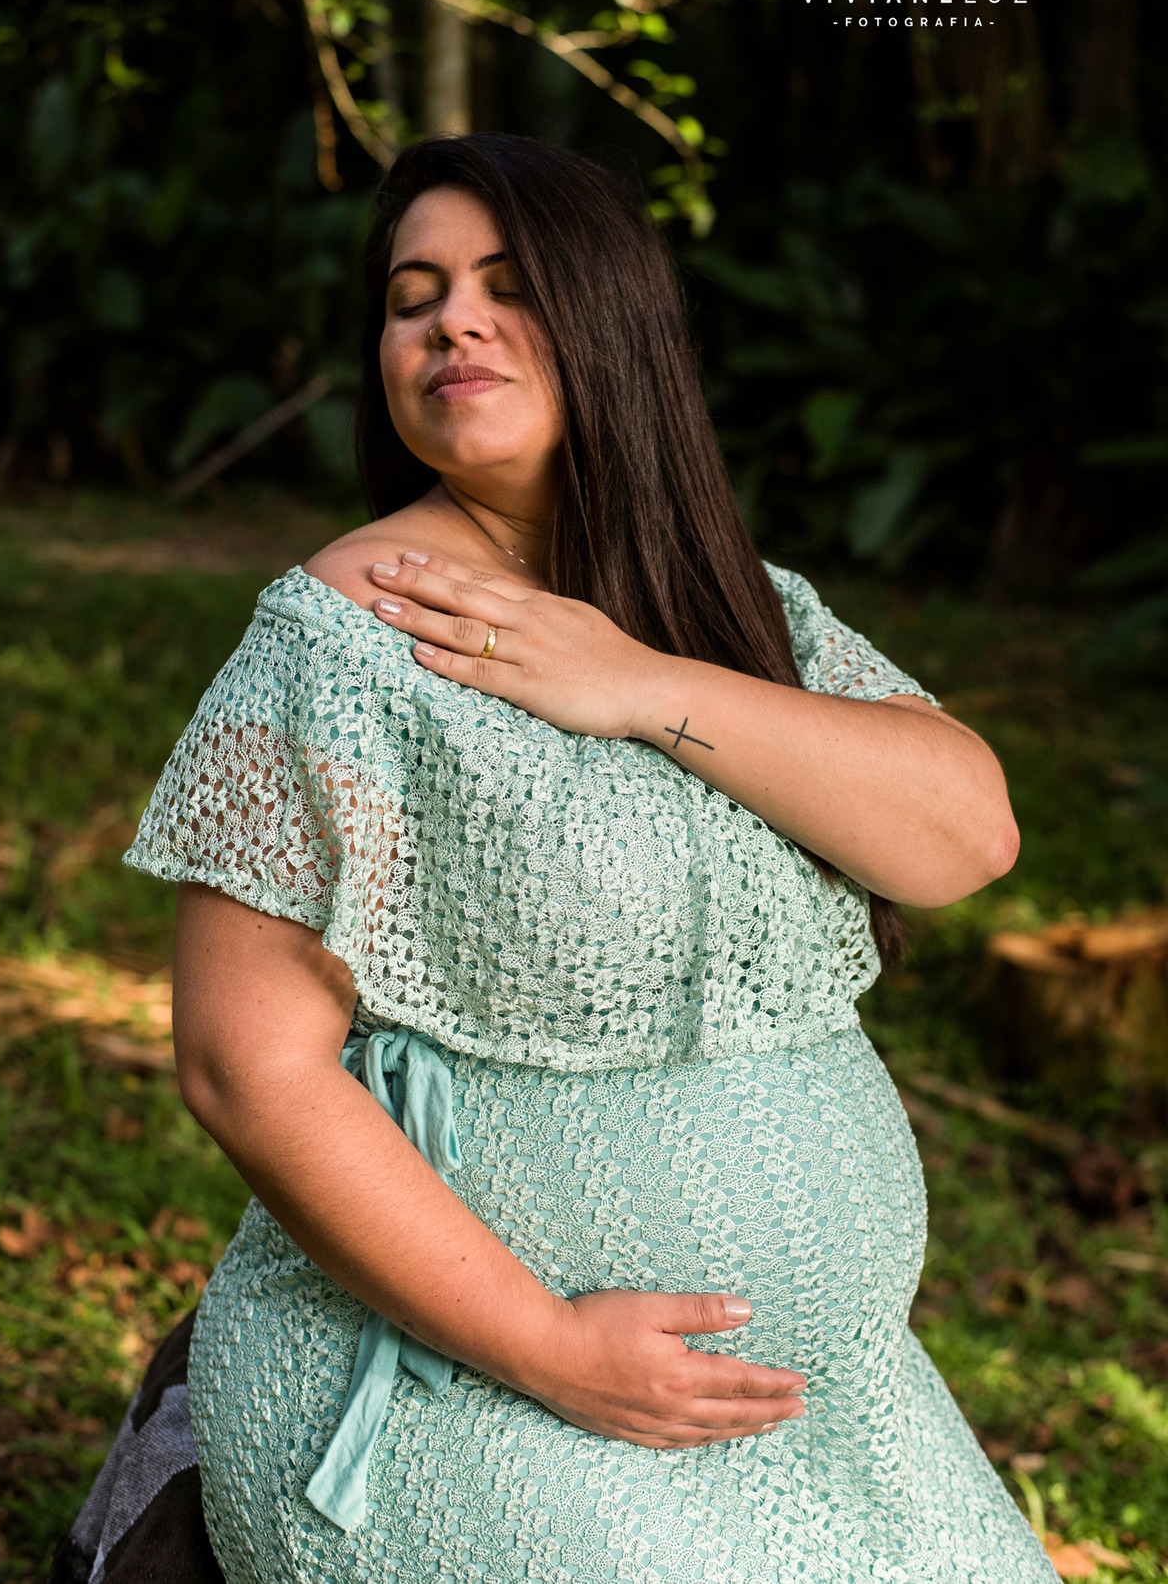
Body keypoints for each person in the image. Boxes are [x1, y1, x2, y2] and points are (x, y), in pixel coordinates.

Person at [122, 132, 1054, 1583]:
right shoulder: (334, 640)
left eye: (508, 283)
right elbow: (245, 1065)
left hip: (830, 1408)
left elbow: (966, 832)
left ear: (611, 322)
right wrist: (553, 1347)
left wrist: (639, 682)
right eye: (412, 293)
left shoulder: (740, 610)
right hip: (464, 1394)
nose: (451, 320)